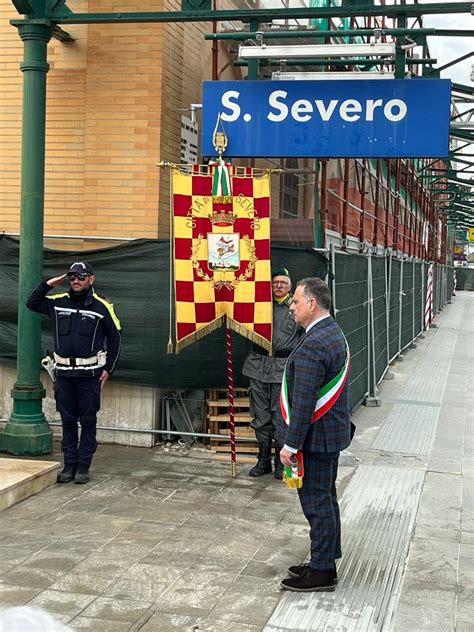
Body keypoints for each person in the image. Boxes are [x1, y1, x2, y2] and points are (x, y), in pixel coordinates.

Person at [277, 277, 352, 592]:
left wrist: (291, 445)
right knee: (327, 499)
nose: (291, 306)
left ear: (312, 304)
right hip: (329, 435)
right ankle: (325, 558)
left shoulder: (314, 343)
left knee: (316, 504)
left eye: (295, 301)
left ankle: (322, 573)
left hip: (314, 439)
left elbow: (305, 400)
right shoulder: (330, 331)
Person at [26, 261, 121, 484]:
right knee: (68, 421)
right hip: (64, 375)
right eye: (72, 277)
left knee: (87, 421)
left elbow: (115, 339)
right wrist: (50, 283)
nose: (76, 281)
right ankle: (69, 465)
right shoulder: (58, 303)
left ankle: (83, 467)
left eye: (81, 277)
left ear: (91, 279)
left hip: (90, 376)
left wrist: (109, 369)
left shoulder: (102, 307)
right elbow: (32, 302)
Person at [242, 267, 300, 479]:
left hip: (282, 368)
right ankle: (263, 460)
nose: (279, 286)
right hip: (258, 365)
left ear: (290, 286)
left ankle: (279, 462)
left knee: (280, 416)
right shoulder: (259, 306)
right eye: (275, 282)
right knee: (260, 415)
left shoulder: (297, 307)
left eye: (283, 283)